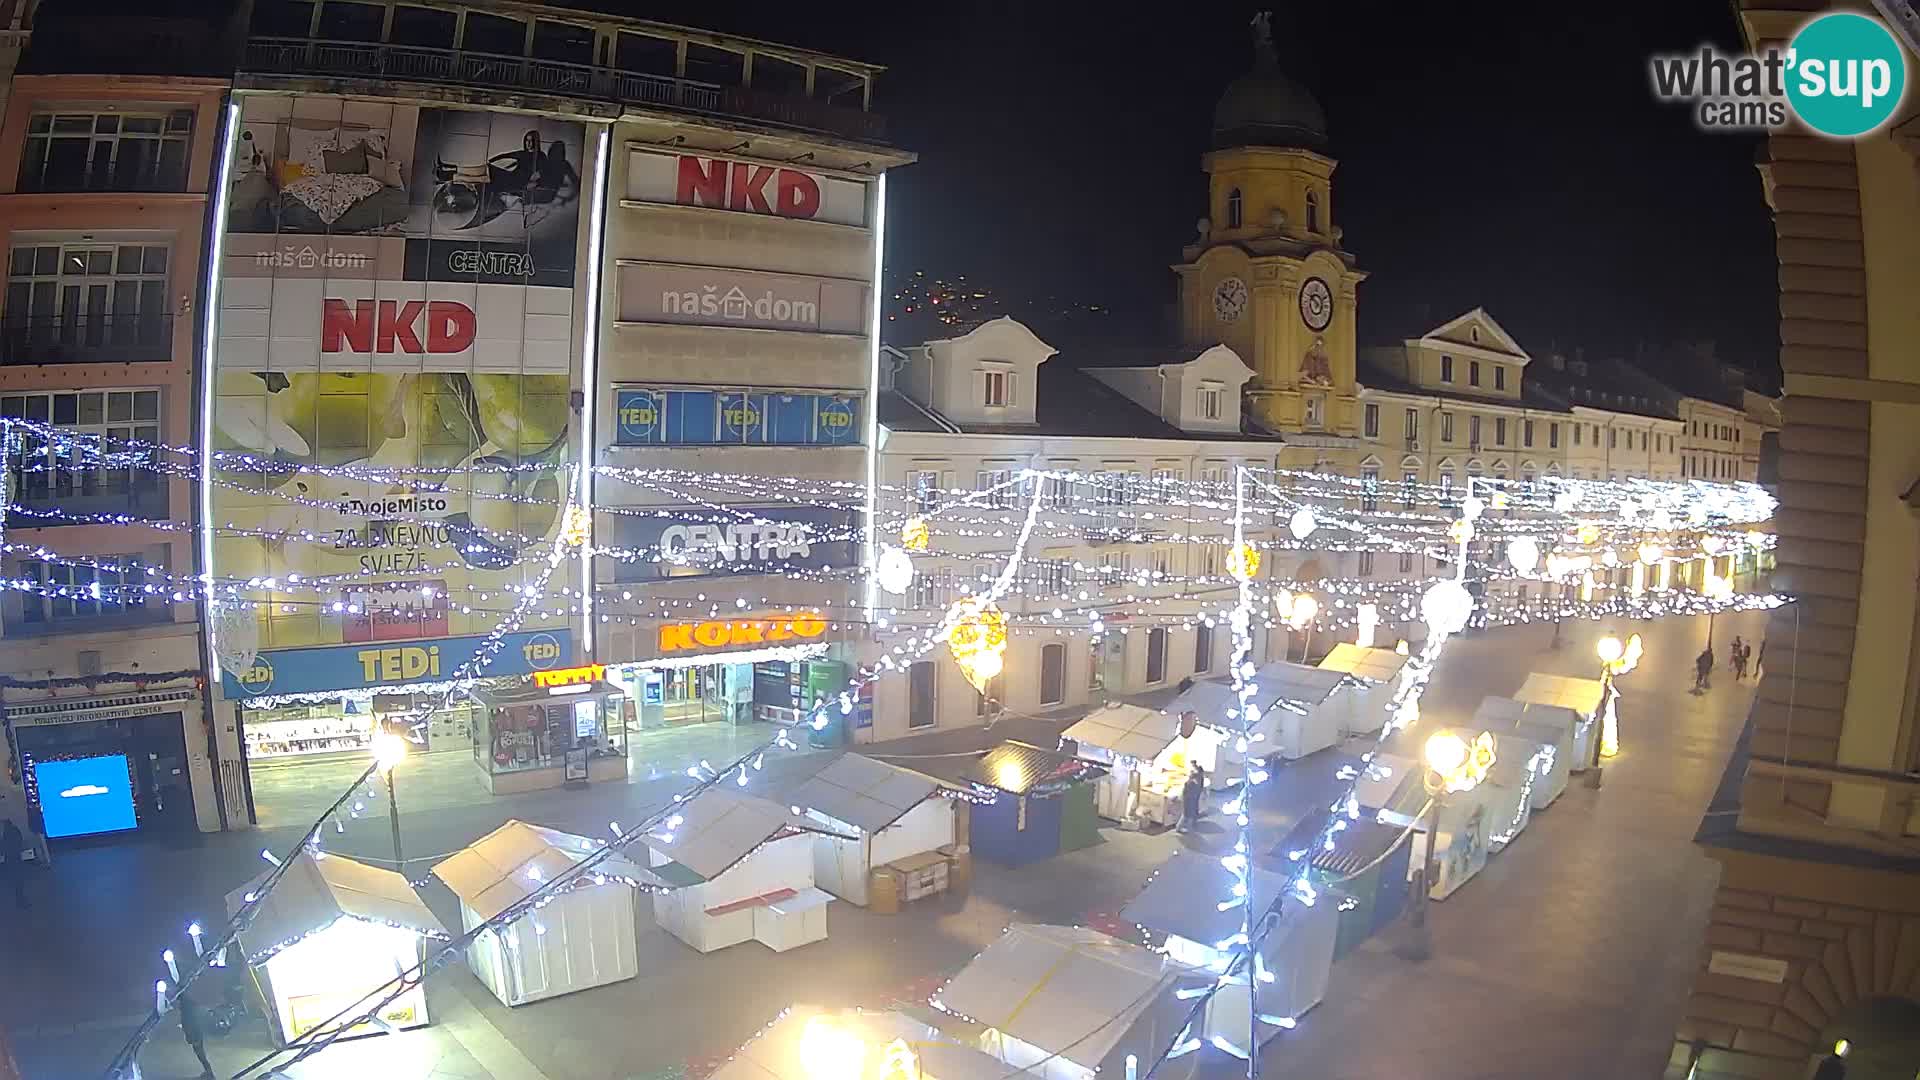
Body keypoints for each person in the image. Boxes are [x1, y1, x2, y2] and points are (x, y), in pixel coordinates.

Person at [177, 988, 216, 1080]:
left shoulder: (187, 1010)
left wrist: (192, 1037)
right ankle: (209, 1072)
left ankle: (209, 1072)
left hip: (195, 1035)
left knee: (200, 1054)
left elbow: (189, 1023)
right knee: (200, 1053)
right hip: (196, 1034)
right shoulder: (190, 1007)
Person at [1, 818, 28, 911]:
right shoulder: (15, 830)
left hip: (10, 859)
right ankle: (21, 900)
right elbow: (19, 841)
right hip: (16, 858)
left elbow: (3, 846)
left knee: (15, 881)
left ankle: (19, 900)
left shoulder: (5, 834)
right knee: (19, 881)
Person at [1179, 764, 1207, 833]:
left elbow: (1201, 788)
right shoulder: (1191, 783)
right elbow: (1186, 793)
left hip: (1193, 799)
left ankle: (1187, 826)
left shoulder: (1198, 780)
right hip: (1189, 800)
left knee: (1189, 814)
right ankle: (1181, 827)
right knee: (1186, 815)